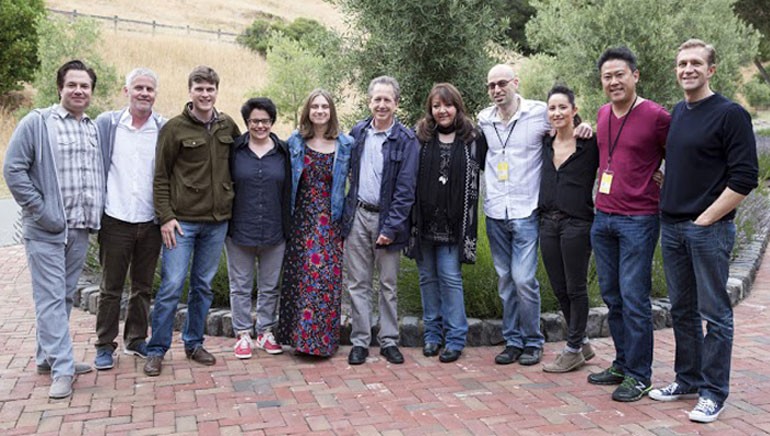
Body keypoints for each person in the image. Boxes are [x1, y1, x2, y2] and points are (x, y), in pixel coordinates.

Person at [649, 39, 758, 423]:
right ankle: (688, 379)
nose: (687, 69)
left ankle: (713, 393)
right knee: (682, 310)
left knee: (715, 314)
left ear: (712, 70)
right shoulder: (679, 111)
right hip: (673, 226)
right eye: (681, 64)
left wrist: (707, 218)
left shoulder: (731, 114)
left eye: (696, 63)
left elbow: (746, 178)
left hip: (707, 230)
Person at [478, 64, 592, 367]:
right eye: (491, 85)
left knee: (524, 279)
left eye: (502, 83)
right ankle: (513, 340)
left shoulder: (538, 112)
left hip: (527, 210)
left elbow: (565, 119)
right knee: (505, 279)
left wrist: (584, 125)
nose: (497, 90)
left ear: (516, 82)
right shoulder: (484, 119)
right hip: (495, 212)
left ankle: (533, 341)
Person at [4, 60, 102, 398]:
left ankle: (46, 358)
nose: (78, 90)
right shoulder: (38, 123)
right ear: (59, 88)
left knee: (61, 297)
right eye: (72, 84)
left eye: (84, 86)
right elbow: (13, 169)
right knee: (48, 298)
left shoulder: (92, 128)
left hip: (79, 230)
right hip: (46, 230)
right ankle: (63, 369)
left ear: (91, 91)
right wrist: (42, 211)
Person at [144, 66, 240, 377]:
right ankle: (156, 350)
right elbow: (160, 177)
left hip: (216, 222)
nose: (205, 94)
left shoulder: (228, 125)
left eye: (210, 88)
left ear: (216, 91)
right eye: (199, 88)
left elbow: (242, 163)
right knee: (172, 285)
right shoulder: (174, 129)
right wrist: (166, 217)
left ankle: (194, 343)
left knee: (203, 285)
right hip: (181, 223)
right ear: (190, 91)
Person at [587, 47, 670, 402]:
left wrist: (664, 174)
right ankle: (622, 362)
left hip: (639, 218)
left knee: (634, 298)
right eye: (607, 76)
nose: (613, 81)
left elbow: (679, 154)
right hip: (603, 216)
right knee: (612, 296)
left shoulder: (656, 116)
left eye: (620, 74)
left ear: (635, 75)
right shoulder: (603, 113)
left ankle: (640, 375)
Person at [406, 83, 485, 363]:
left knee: (450, 279)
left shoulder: (473, 139)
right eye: (436, 106)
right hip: (423, 222)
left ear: (457, 107)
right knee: (427, 279)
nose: (442, 111)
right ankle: (432, 336)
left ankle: (454, 339)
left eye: (447, 105)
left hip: (455, 226)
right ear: (430, 109)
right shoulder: (420, 137)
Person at [343, 76, 419, 365]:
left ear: (396, 104)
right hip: (358, 216)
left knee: (388, 284)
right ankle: (360, 341)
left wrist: (391, 227)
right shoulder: (358, 132)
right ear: (369, 101)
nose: (382, 105)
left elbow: (405, 189)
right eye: (377, 99)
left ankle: (389, 341)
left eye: (388, 100)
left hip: (388, 220)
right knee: (357, 283)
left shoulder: (407, 140)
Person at [92, 68, 165, 370]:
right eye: (138, 88)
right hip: (116, 218)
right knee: (110, 288)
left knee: (143, 287)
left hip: (150, 221)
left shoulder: (163, 128)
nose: (144, 93)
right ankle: (104, 345)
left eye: (149, 89)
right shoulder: (108, 125)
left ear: (155, 94)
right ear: (126, 91)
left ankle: (135, 339)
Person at [276, 89, 352, 357]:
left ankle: (321, 343)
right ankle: (299, 340)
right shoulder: (295, 142)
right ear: (307, 111)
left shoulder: (345, 144)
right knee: (300, 279)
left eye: (325, 107)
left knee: (324, 280)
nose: (320, 111)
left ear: (331, 111)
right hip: (301, 219)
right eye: (315, 106)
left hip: (330, 221)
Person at [538, 85, 599, 373]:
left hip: (578, 223)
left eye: (563, 107)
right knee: (559, 287)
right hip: (548, 222)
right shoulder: (544, 143)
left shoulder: (589, 144)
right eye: (552, 108)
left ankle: (573, 348)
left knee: (576, 288)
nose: (557, 112)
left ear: (574, 111)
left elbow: (619, 160)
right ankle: (583, 341)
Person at [226, 97, 290, 359]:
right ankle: (242, 334)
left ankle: (265, 331)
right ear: (247, 122)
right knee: (239, 285)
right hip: (240, 229)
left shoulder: (284, 152)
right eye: (254, 121)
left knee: (270, 285)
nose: (260, 125)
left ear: (272, 122)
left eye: (265, 120)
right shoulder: (235, 150)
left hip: (275, 229)